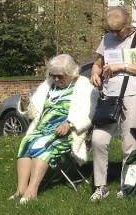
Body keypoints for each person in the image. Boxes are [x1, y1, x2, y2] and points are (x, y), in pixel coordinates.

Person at [10, 54, 98, 204]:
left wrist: (69, 124)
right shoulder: (48, 85)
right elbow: (32, 113)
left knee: (45, 145)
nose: (56, 79)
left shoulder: (85, 86)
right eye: (53, 75)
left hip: (68, 132)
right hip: (42, 128)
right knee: (26, 141)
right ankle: (20, 190)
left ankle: (32, 191)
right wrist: (25, 101)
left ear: (72, 73)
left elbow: (89, 113)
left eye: (60, 76)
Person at [89, 7, 136, 201]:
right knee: (98, 139)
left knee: (129, 143)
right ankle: (101, 186)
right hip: (109, 97)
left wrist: (122, 66)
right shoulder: (107, 38)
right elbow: (97, 64)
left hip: (134, 95)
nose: (115, 34)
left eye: (118, 30)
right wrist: (94, 73)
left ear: (127, 25)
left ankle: (128, 186)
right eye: (112, 30)